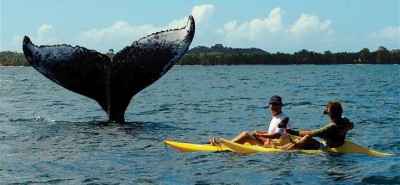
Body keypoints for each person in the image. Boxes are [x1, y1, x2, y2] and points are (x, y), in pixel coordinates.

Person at [211, 95, 292, 147]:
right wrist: (260, 133)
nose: (275, 106)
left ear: (281, 105)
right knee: (252, 133)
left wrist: (262, 135)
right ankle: (226, 144)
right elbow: (274, 132)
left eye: (277, 104)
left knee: (246, 135)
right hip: (270, 142)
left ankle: (222, 145)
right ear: (269, 105)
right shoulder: (276, 117)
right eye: (273, 104)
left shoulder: (283, 118)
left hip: (274, 145)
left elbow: (277, 135)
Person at [281, 101, 354, 150]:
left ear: (329, 114)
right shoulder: (344, 119)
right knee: (299, 139)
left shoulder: (331, 127)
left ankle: (287, 150)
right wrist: (344, 129)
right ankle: (281, 148)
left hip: (327, 147)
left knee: (306, 138)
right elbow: (352, 126)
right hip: (339, 143)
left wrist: (292, 132)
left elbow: (311, 134)